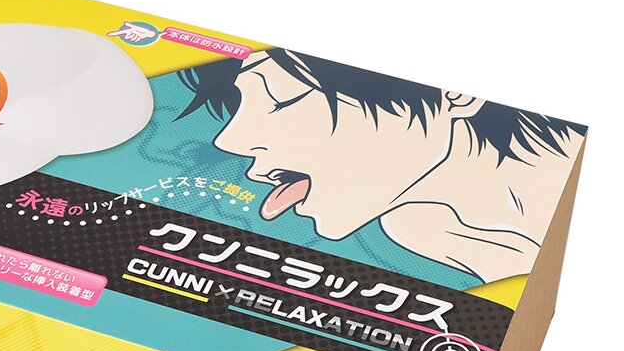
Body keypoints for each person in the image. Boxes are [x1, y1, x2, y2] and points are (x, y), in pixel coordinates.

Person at [177, 48, 585, 281]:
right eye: (239, 109)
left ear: (454, 96)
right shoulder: (423, 230)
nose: (228, 140)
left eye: (282, 97)